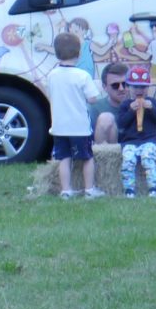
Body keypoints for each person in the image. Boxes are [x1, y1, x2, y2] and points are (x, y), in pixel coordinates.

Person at [43, 30, 102, 199]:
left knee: (64, 158)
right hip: (79, 127)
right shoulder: (82, 75)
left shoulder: (52, 75)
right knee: (87, 158)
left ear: (56, 53)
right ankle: (89, 189)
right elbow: (92, 99)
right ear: (79, 52)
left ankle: (66, 190)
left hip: (59, 126)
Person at [114, 77, 156, 198]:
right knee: (128, 161)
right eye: (135, 87)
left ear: (148, 88)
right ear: (129, 88)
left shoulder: (153, 102)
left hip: (149, 140)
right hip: (130, 141)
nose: (139, 90)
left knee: (148, 158)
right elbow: (121, 123)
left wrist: (152, 109)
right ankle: (129, 190)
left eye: (143, 87)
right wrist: (131, 111)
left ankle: (153, 188)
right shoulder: (125, 104)